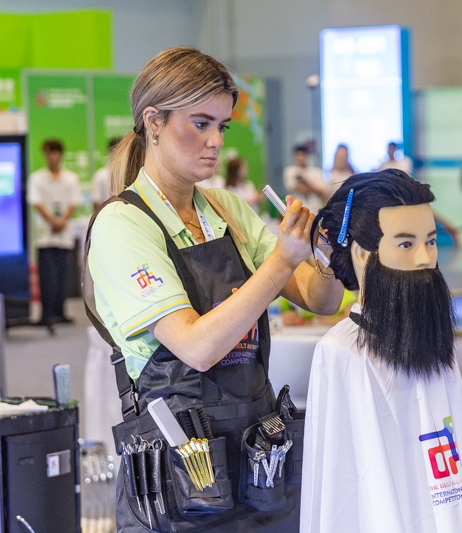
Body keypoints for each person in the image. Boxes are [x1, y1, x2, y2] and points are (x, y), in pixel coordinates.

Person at [84, 47, 343, 532]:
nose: (215, 141)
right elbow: (197, 347)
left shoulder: (226, 209)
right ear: (154, 121)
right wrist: (283, 258)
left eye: (222, 126)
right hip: (181, 479)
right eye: (200, 123)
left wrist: (322, 254)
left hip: (259, 463)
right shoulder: (123, 224)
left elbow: (321, 299)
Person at [301, 170, 462, 533]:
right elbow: (345, 490)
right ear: (361, 255)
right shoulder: (342, 355)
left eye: (431, 242)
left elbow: (458, 464)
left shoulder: (435, 344)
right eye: (406, 244)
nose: (425, 258)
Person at [28, 138, 83, 325]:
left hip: (64, 231)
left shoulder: (71, 178)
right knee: (46, 275)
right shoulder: (37, 178)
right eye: (47, 152)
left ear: (60, 154)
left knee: (62, 274)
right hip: (46, 233)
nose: (50, 156)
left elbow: (74, 203)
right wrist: (52, 220)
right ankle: (46, 314)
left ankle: (61, 312)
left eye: (54, 152)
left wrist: (62, 221)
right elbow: (36, 203)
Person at [283, 144, 326, 212]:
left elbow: (322, 191)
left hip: (315, 209)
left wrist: (305, 182)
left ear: (307, 155)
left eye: (302, 155)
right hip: (298, 209)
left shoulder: (317, 171)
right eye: (298, 155)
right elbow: (298, 189)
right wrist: (314, 188)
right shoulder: (290, 171)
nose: (300, 157)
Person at [91, 137, 122, 211]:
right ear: (109, 152)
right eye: (115, 151)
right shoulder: (100, 175)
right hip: (106, 215)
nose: (117, 154)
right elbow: (96, 201)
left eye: (121, 151)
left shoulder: (130, 174)